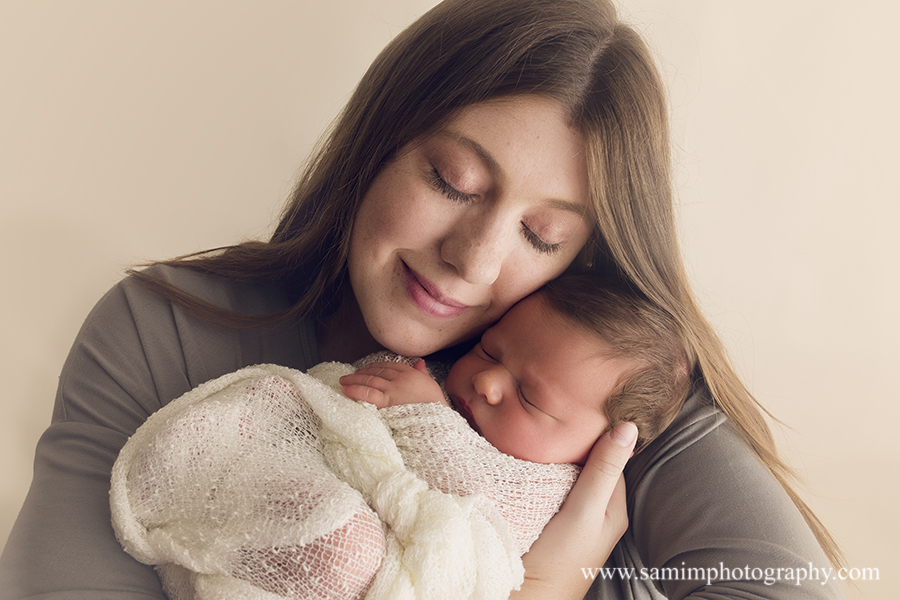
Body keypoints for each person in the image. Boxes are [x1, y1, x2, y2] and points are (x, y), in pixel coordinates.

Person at [0, 0, 845, 598]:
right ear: (378, 142)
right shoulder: (164, 328)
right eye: (453, 180)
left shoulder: (607, 384)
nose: (473, 259)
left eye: (543, 237)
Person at [109, 274, 691, 600]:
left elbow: (489, 514)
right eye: (490, 349)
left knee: (345, 541)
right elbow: (355, 389)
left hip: (378, 568)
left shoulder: (553, 490)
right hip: (307, 489)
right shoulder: (439, 379)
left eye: (531, 398)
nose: (487, 381)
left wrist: (425, 417)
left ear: (601, 449)